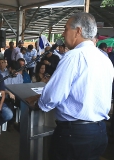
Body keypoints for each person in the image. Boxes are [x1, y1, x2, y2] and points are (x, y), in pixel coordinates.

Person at [30, 12, 114, 160]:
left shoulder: (73, 57)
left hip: (75, 135)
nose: (63, 34)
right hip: (99, 132)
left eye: (66, 28)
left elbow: (53, 96)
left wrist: (39, 102)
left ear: (78, 31)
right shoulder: (104, 58)